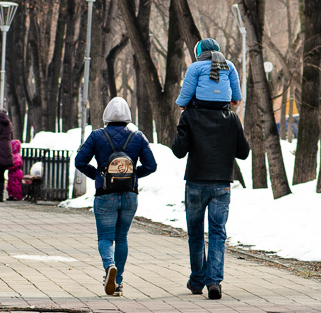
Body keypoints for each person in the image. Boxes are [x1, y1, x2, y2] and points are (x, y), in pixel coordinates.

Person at [172, 84, 249, 299]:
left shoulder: (190, 116)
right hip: (222, 183)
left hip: (196, 182)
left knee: (195, 233)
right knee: (217, 232)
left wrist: (184, 124)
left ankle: (197, 280)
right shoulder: (231, 119)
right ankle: (214, 282)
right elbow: (243, 152)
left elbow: (179, 150)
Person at [74, 98, 156, 296]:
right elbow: (151, 166)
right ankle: (118, 282)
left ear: (106, 116)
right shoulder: (138, 137)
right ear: (128, 116)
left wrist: (97, 175)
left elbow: (80, 161)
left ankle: (109, 266)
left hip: (105, 194)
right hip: (130, 195)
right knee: (122, 238)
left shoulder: (96, 136)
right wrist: (134, 175)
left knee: (105, 237)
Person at [175, 38, 243, 109]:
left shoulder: (195, 67)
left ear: (199, 52)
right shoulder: (229, 65)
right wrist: (235, 98)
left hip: (202, 102)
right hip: (223, 102)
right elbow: (234, 84)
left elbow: (188, 88)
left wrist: (182, 103)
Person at [6, 136, 25, 201]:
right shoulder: (13, 155)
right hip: (12, 173)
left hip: (16, 173)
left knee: (16, 185)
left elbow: (16, 164)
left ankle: (17, 196)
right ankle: (11, 195)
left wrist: (9, 166)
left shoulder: (16, 156)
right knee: (10, 185)